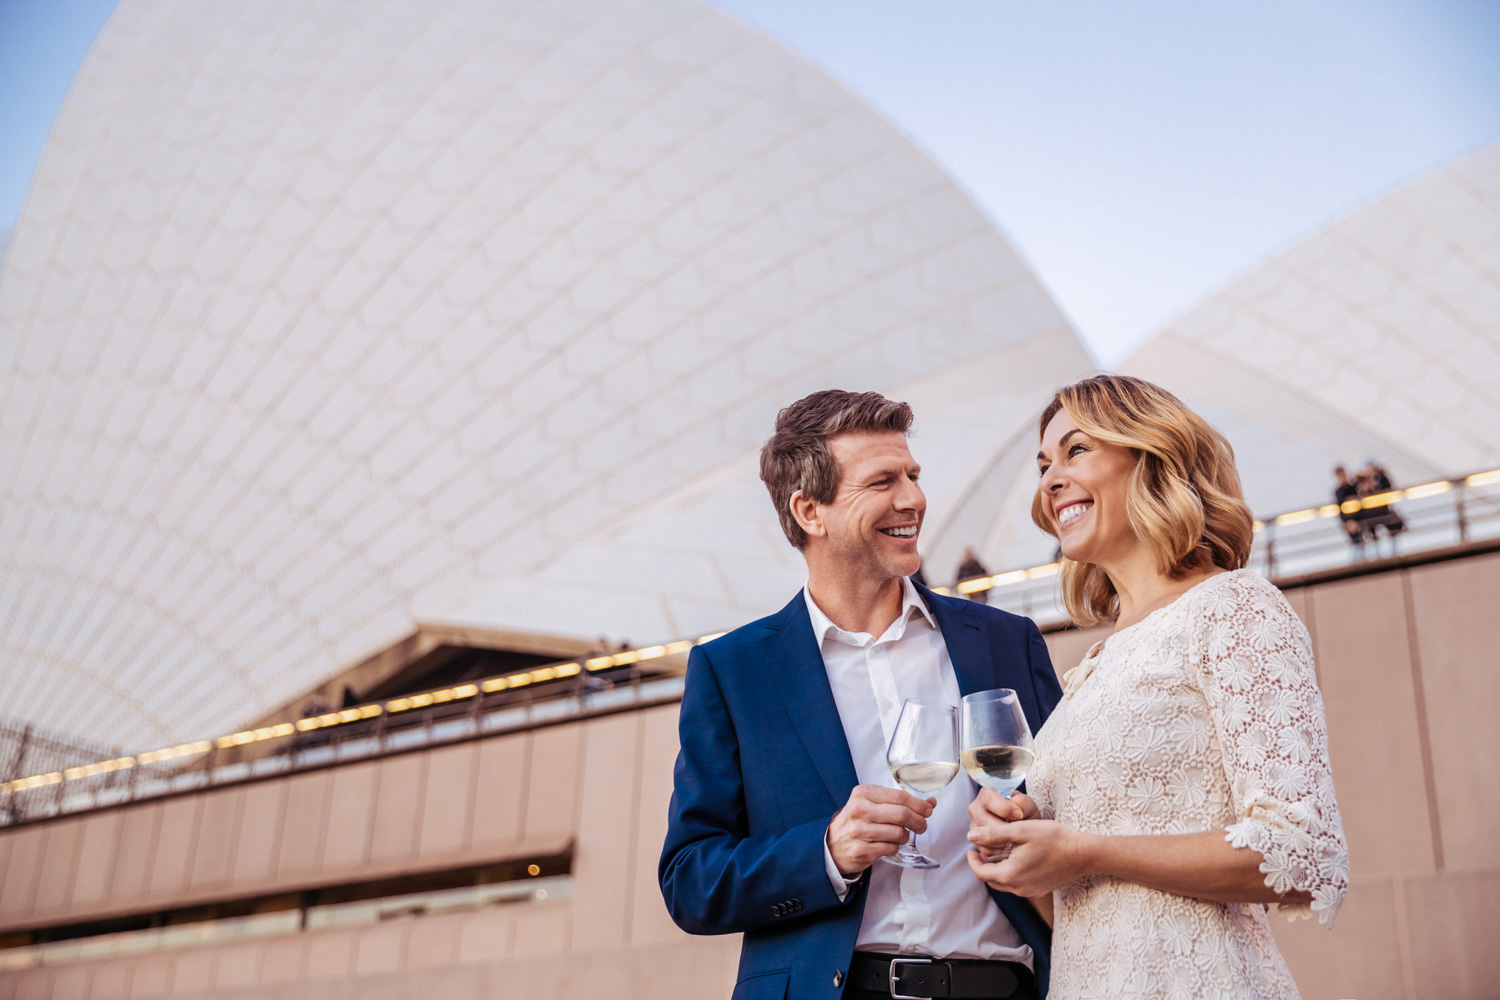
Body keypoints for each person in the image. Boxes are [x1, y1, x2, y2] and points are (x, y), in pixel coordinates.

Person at [660, 390, 1063, 1000]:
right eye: (882, 482)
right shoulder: (733, 670)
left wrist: (1036, 829)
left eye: (913, 476)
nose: (913, 499)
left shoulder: (1008, 641)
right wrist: (826, 852)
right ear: (809, 511)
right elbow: (690, 881)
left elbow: (1076, 817)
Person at [967, 375, 1348, 1000]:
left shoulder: (1234, 607)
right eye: (1043, 465)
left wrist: (1085, 851)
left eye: (1076, 450)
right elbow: (1083, 910)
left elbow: (1303, 851)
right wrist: (1026, 851)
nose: (1051, 479)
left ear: (1152, 456)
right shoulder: (1092, 666)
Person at [1333, 465, 1366, 558]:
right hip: (1349, 520)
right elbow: (1340, 508)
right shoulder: (1338, 491)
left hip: (1357, 517)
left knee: (1359, 542)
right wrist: (1347, 521)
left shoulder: (1352, 487)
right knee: (1355, 543)